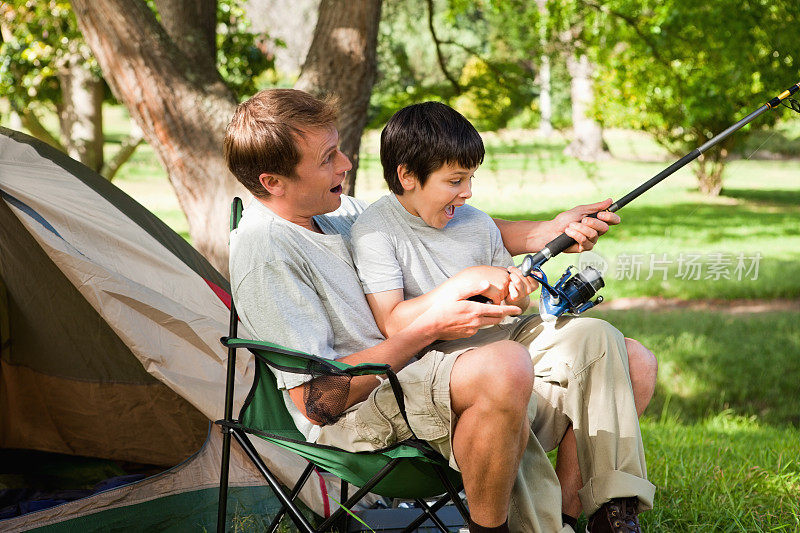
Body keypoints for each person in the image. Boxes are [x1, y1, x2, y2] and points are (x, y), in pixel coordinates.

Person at [224, 89, 651, 533]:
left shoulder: (334, 210)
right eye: (327, 157)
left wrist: (546, 231)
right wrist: (429, 327)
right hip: (366, 405)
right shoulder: (266, 252)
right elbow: (318, 401)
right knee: (503, 365)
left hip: (431, 369)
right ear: (273, 181)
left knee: (628, 356)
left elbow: (429, 219)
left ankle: (583, 519)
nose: (346, 163)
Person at [348, 101, 656, 532]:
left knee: (598, 334)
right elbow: (394, 323)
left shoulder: (473, 221)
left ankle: (613, 511)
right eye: (455, 180)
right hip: (445, 362)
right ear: (406, 176)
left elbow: (517, 311)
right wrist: (468, 280)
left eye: (471, 178)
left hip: (506, 337)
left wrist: (515, 293)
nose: (468, 192)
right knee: (515, 371)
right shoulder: (377, 231)